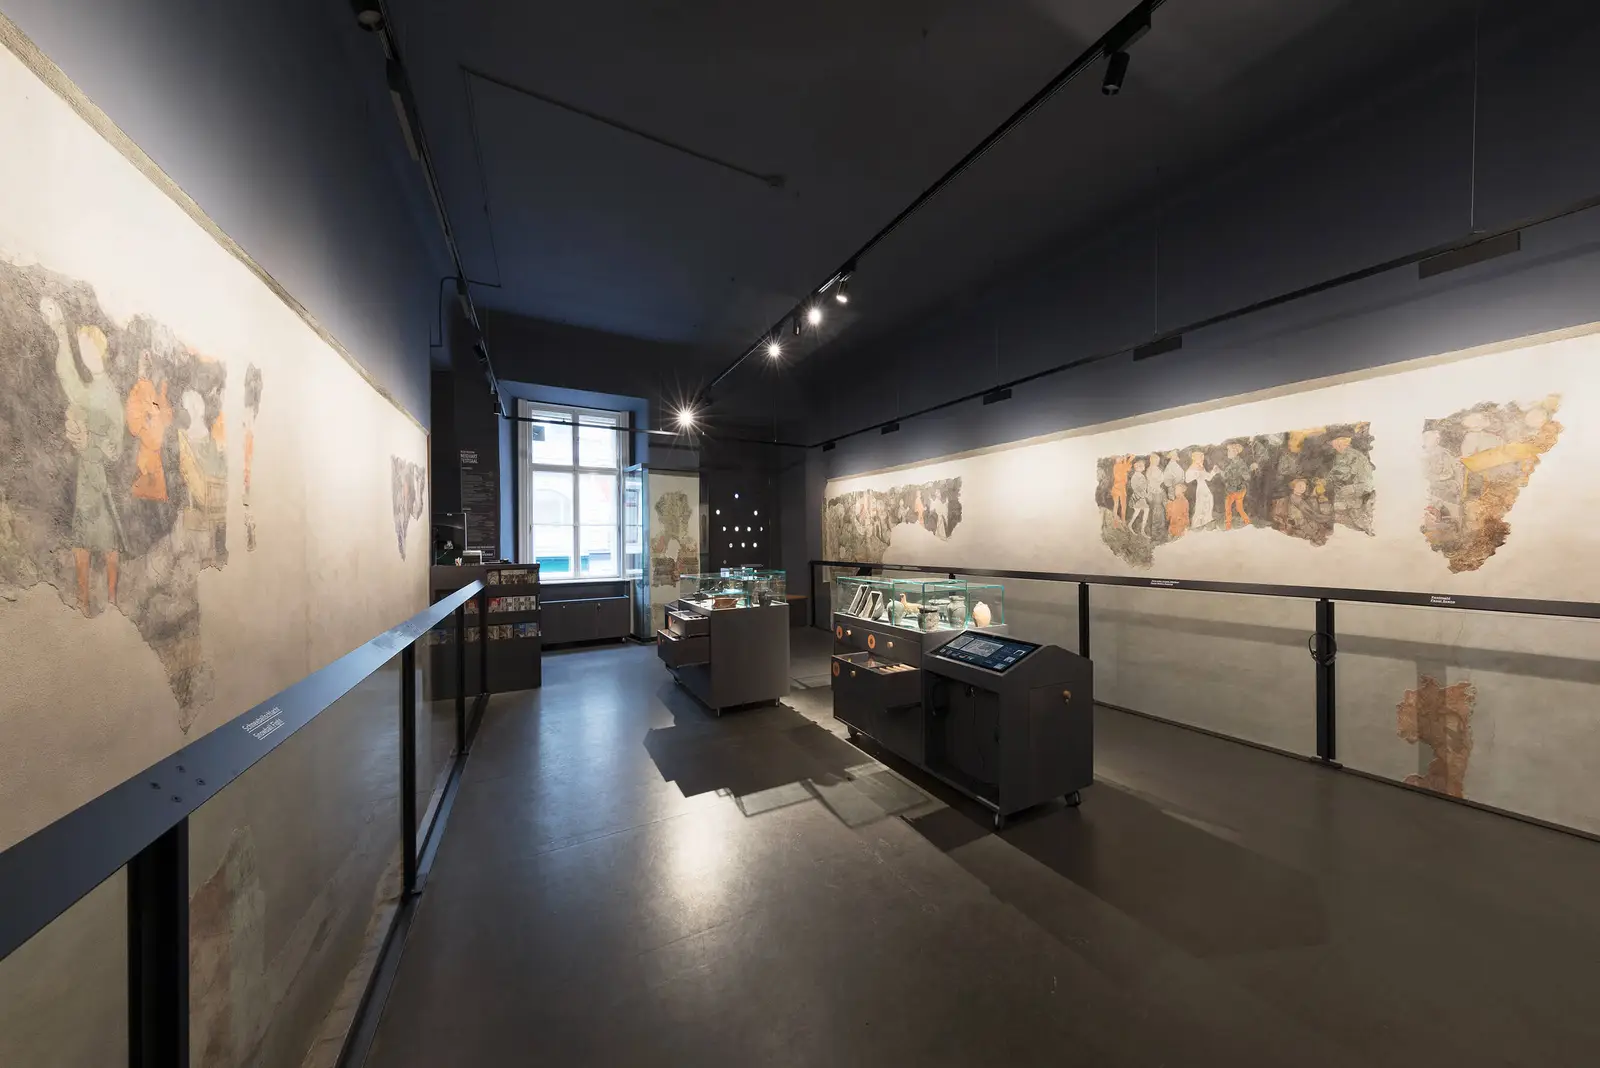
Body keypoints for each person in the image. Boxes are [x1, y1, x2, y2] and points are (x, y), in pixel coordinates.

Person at [43, 297, 124, 614]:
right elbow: (71, 384)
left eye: (86, 348)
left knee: (107, 541)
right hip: (86, 476)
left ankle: (113, 601)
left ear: (99, 350)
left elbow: (116, 445)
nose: (84, 355)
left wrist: (94, 440)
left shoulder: (109, 393)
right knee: (81, 538)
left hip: (100, 479)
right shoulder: (90, 390)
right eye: (81, 349)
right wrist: (62, 335)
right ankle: (82, 599)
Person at [125, 350, 174, 502]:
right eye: (143, 363)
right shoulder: (140, 391)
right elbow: (136, 426)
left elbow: (166, 419)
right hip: (144, 461)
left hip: (156, 461)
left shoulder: (159, 391)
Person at [1329, 436, 1375, 534]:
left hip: (1358, 497)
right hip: (1340, 494)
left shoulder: (1358, 458)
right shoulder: (1337, 456)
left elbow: (1368, 485)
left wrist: (1352, 488)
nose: (1337, 448)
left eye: (1340, 444)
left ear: (1347, 443)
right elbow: (1334, 475)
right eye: (1335, 445)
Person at [1219, 441, 1257, 530]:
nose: (1228, 453)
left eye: (1229, 451)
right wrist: (1249, 469)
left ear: (1235, 452)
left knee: (1229, 508)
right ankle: (1246, 521)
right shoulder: (1235, 462)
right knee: (1238, 508)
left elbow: (1246, 476)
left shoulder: (1238, 463)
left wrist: (1249, 470)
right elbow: (1228, 475)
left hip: (1235, 490)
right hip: (1237, 489)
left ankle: (1229, 525)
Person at [1185, 450, 1221, 531]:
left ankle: (1207, 522)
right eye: (1200, 458)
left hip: (1204, 487)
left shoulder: (1201, 467)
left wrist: (1214, 471)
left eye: (1202, 458)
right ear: (1195, 458)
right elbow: (1187, 479)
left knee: (1209, 502)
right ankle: (1196, 525)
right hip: (1199, 489)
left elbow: (1208, 477)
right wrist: (1196, 474)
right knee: (1200, 506)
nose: (1202, 459)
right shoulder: (1192, 468)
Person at [1127, 459, 1150, 536]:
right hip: (1138, 498)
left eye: (1143, 466)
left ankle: (1132, 525)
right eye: (1141, 466)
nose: (1143, 467)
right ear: (1136, 467)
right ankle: (1142, 530)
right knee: (1145, 510)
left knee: (1138, 511)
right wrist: (1142, 495)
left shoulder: (1141, 475)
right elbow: (1135, 488)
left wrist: (1146, 493)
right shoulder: (1135, 477)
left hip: (1142, 496)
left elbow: (1145, 486)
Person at [1110, 454, 1133, 525]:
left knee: (1123, 505)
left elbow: (1128, 467)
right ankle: (1115, 520)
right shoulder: (1116, 466)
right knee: (1116, 504)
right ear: (1115, 460)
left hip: (1122, 488)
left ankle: (1123, 520)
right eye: (1118, 458)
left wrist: (1127, 458)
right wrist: (1125, 459)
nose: (1120, 458)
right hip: (1117, 488)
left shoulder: (1123, 465)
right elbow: (1125, 469)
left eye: (1120, 457)